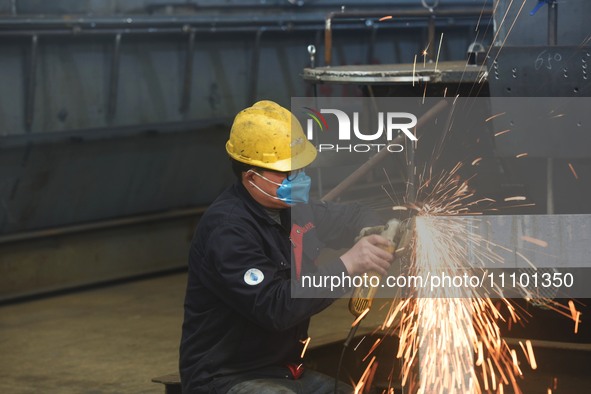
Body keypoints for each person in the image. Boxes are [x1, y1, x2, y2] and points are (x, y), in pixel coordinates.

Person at [179, 100, 395, 394]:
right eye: (287, 172)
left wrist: (378, 231)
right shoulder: (228, 230)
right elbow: (276, 307)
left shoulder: (294, 208)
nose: (298, 178)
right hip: (226, 378)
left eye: (300, 168)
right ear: (252, 177)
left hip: (282, 371)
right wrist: (349, 265)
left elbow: (353, 215)